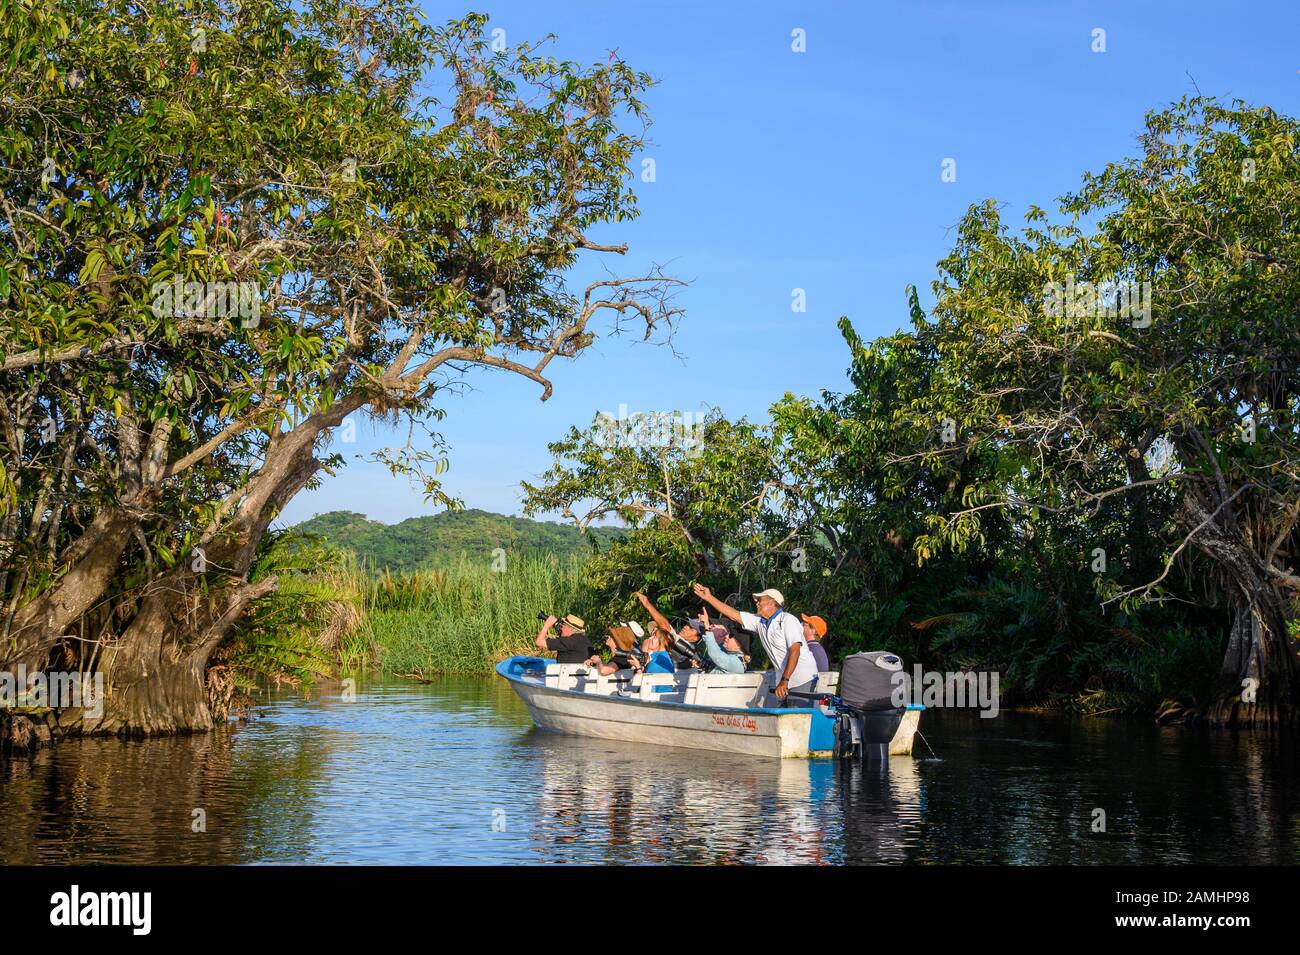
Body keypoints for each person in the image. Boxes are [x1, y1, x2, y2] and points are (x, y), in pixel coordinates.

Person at [692, 584, 818, 707]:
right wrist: (708, 597)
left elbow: (795, 651)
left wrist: (785, 680)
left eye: (760, 600)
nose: (757, 603)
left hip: (802, 678)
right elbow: (733, 614)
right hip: (783, 681)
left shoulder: (788, 620)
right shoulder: (759, 622)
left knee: (799, 721)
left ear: (771, 602)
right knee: (784, 723)